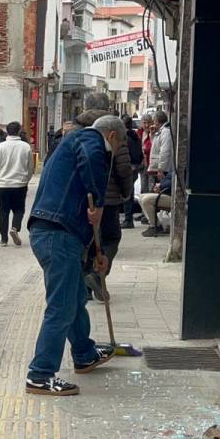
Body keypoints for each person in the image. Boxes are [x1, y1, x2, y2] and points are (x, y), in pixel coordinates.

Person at [24, 117, 118, 396]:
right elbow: (89, 157)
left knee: (75, 298)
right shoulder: (88, 139)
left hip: (57, 234)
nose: (112, 154)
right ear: (111, 135)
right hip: (56, 235)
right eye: (117, 145)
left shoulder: (73, 143)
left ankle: (84, 353)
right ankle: (40, 374)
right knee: (62, 306)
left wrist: (92, 259)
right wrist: (98, 202)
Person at [85, 115, 134, 300]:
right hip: (109, 199)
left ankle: (86, 286)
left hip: (86, 200)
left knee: (89, 241)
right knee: (111, 238)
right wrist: (126, 192)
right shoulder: (115, 135)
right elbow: (124, 169)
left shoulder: (84, 133)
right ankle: (98, 276)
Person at [0, 121, 35, 247]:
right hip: (19, 185)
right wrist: (26, 180)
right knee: (19, 210)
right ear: (18, 131)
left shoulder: (1, 147)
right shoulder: (25, 147)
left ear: (7, 131)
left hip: (3, 185)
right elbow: (30, 168)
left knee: (3, 212)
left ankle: (4, 239)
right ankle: (15, 228)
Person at [121, 114, 143, 229]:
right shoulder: (135, 136)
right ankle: (128, 218)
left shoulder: (126, 138)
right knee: (129, 193)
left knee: (127, 194)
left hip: (129, 167)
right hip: (135, 167)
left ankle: (128, 219)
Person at [140, 170, 173, 237]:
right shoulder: (173, 167)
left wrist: (160, 185)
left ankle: (154, 226)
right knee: (141, 197)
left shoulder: (181, 167)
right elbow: (167, 180)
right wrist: (158, 185)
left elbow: (173, 182)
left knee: (146, 200)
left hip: (174, 197)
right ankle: (155, 224)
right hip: (166, 193)